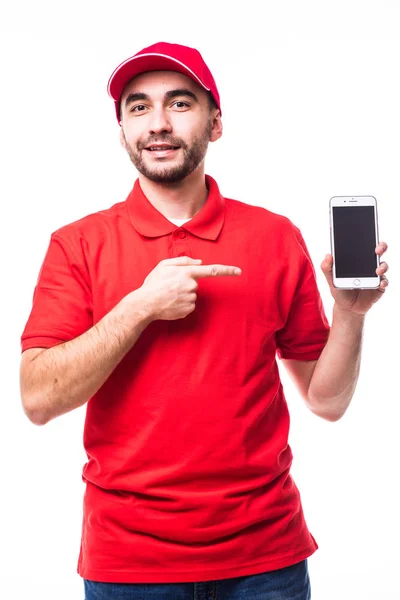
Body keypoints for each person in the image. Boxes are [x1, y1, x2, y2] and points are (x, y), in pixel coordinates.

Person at [19, 42, 389, 600]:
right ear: (122, 130)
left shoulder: (274, 236)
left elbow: (327, 402)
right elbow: (38, 399)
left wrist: (349, 313)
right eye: (138, 108)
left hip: (267, 560)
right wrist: (140, 306)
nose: (159, 124)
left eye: (180, 103)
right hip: (129, 565)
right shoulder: (78, 245)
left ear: (215, 123)